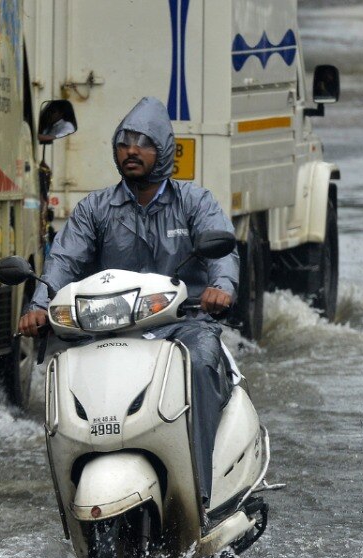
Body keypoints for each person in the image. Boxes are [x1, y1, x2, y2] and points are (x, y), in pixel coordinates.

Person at [19, 96, 239, 509]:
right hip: (110, 327)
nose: (131, 151)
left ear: (165, 151)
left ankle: (204, 486)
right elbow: (63, 261)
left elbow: (222, 252)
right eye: (124, 142)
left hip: (183, 323)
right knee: (64, 369)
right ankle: (71, 491)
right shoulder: (95, 209)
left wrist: (220, 287)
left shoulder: (194, 202)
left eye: (143, 143)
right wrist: (37, 306)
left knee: (204, 360)